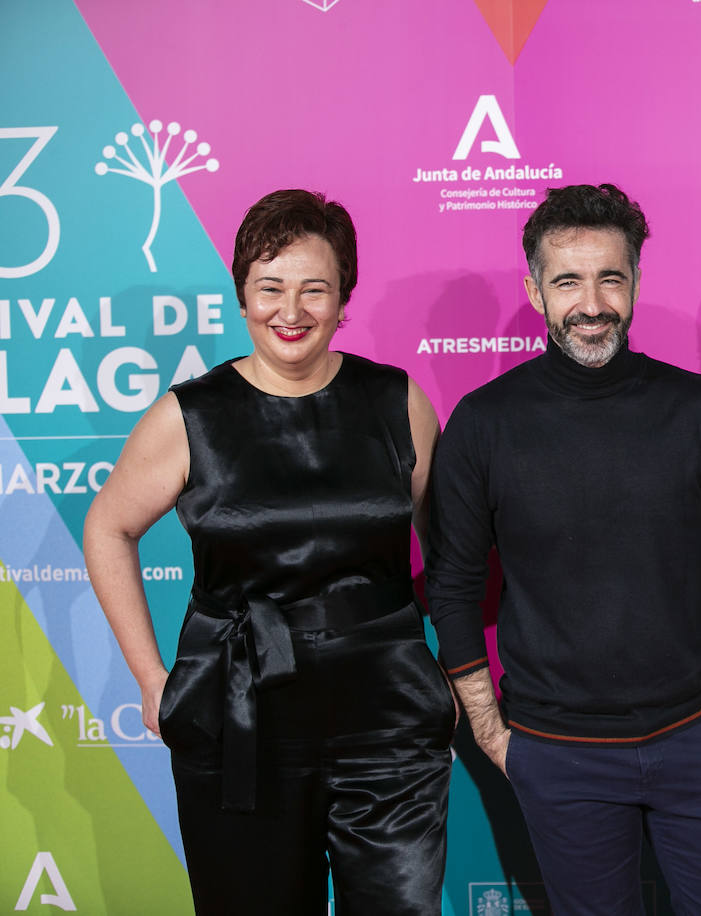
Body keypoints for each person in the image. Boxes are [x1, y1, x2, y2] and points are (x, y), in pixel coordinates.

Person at [83, 189, 455, 915]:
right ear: (243, 298)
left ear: (344, 297)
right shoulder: (189, 416)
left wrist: (462, 675)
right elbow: (108, 529)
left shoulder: (398, 402)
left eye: (315, 289)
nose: (292, 311)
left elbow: (445, 555)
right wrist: (151, 678)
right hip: (237, 712)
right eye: (270, 288)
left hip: (388, 716)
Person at [427, 183, 701, 915]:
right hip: (558, 753)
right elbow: (452, 586)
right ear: (535, 289)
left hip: (698, 740)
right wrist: (493, 734)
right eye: (568, 281)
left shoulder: (697, 408)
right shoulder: (485, 424)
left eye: (610, 277)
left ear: (636, 281)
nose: (592, 302)